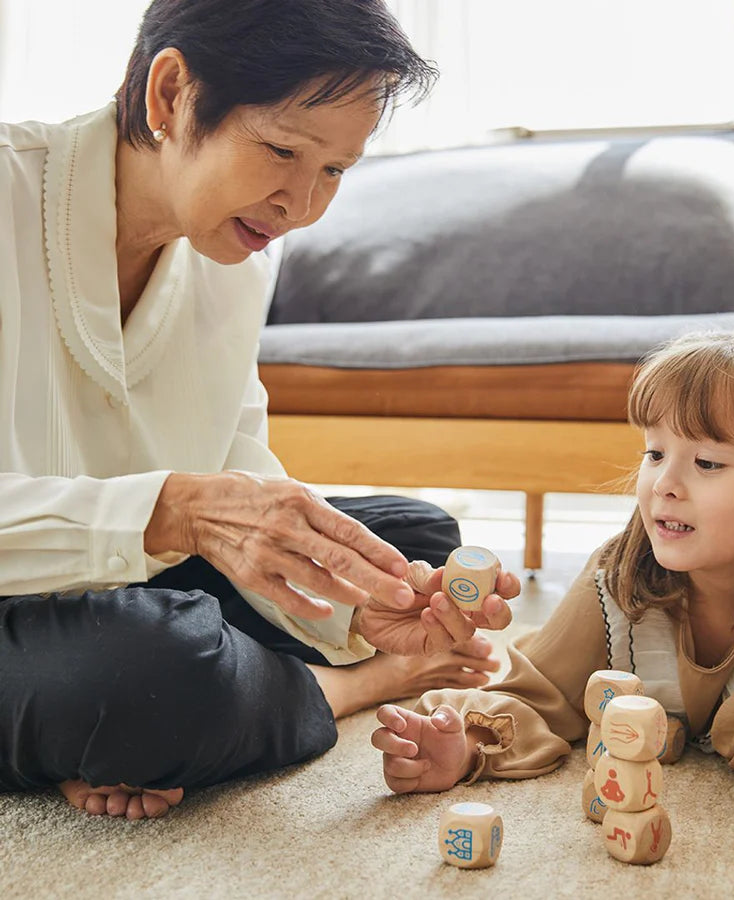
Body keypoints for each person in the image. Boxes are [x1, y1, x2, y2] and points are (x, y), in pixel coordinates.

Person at [0, 0, 518, 821]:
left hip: (129, 590)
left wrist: (359, 608)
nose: (301, 205)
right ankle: (338, 694)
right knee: (153, 670)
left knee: (412, 542)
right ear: (170, 95)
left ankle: (161, 721)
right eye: (281, 149)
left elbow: (242, 478)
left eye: (335, 171)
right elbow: (200, 510)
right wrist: (173, 508)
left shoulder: (236, 257)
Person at [373, 331, 734, 795]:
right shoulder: (620, 573)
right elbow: (545, 695)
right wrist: (464, 744)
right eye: (654, 453)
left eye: (707, 462)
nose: (664, 484)